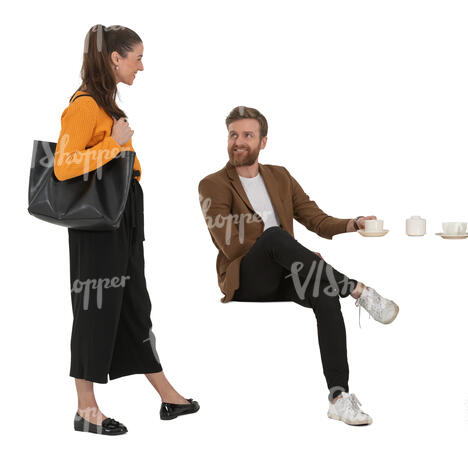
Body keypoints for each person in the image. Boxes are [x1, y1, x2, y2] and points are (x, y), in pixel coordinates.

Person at [198, 106, 399, 426]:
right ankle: (358, 290)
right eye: (233, 135)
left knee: (325, 289)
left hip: (288, 272)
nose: (239, 141)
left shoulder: (279, 176)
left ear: (263, 142)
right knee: (276, 236)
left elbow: (315, 218)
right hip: (246, 278)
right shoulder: (212, 184)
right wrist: (294, 253)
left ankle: (339, 397)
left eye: (248, 135)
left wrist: (354, 223)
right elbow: (230, 244)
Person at [54, 24, 199, 436]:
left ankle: (168, 396)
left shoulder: (106, 102)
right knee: (94, 308)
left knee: (135, 303)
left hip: (122, 215)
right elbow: (64, 165)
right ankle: (86, 409)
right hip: (97, 222)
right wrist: (114, 144)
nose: (141, 66)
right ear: (114, 58)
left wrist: (116, 145)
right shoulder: (84, 104)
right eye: (136, 57)